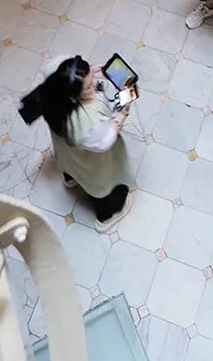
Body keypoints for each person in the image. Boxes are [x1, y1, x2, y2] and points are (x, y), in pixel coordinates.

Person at [18, 56, 133, 231]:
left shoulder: (54, 91)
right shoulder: (85, 123)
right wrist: (121, 115)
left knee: (70, 165)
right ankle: (107, 216)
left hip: (66, 154)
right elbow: (103, 142)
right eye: (88, 87)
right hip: (91, 165)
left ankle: (70, 179)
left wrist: (86, 74)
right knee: (104, 187)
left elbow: (55, 66)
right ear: (72, 95)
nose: (95, 84)